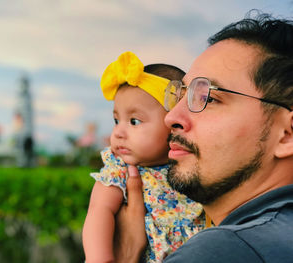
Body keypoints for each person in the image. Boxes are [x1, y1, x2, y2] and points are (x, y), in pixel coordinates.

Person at [114, 12, 293, 262]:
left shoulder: (221, 251)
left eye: (208, 98)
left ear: (287, 134)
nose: (171, 117)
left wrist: (126, 256)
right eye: (181, 95)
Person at [82, 51, 207, 263]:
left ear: (175, 123)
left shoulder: (191, 166)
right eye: (116, 120)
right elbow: (98, 211)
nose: (119, 132)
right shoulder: (119, 169)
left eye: (134, 122)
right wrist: (100, 259)